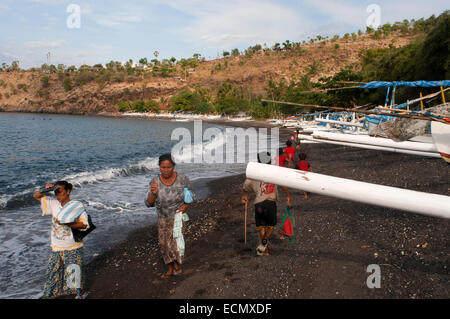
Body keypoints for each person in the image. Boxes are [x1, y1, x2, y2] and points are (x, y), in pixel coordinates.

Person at [33, 181, 89, 299]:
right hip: (56, 247)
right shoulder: (52, 203)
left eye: (60, 191)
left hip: (73, 246)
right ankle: (49, 295)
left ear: (68, 191)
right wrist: (46, 190)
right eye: (56, 191)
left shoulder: (76, 206)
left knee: (74, 275)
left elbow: (84, 225)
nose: (57, 194)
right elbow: (36, 196)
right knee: (51, 273)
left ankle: (80, 294)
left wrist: (69, 223)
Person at [145, 153, 192, 278]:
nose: (166, 170)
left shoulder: (182, 179)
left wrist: (185, 207)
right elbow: (148, 204)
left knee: (175, 243)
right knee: (164, 244)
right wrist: (154, 194)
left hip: (177, 217)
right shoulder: (155, 182)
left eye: (169, 167)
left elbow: (190, 196)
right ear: (159, 167)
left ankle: (177, 266)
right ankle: (170, 267)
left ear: (174, 166)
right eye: (163, 167)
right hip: (162, 218)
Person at [241, 152, 291, 256]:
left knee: (261, 226)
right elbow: (283, 184)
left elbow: (246, 185)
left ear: (259, 161)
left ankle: (266, 251)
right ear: (270, 161)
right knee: (271, 226)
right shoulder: (274, 172)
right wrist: (288, 196)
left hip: (259, 204)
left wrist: (244, 195)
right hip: (270, 203)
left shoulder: (255, 173)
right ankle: (264, 241)